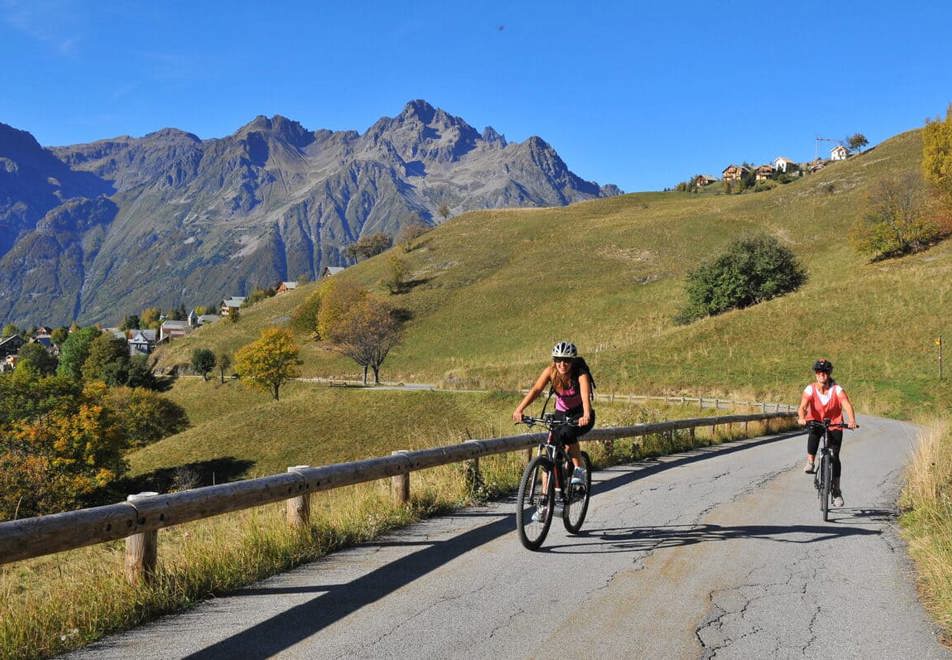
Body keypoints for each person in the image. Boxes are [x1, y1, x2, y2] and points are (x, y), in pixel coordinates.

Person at [512, 341, 595, 517]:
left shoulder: (580, 374)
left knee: (567, 433)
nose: (562, 364)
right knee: (550, 453)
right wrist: (520, 409)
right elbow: (536, 390)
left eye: (566, 360)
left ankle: (579, 469)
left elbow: (585, 396)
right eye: (558, 360)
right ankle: (544, 502)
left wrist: (586, 414)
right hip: (561, 413)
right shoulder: (551, 371)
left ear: (572, 361)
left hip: (580, 414)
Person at [796, 358, 858, 507]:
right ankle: (810, 462)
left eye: (824, 372)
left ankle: (836, 490)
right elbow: (803, 406)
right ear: (816, 374)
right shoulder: (810, 389)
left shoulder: (837, 389)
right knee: (813, 433)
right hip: (817, 422)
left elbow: (846, 405)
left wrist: (851, 420)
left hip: (835, 424)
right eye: (819, 372)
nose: (821, 374)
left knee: (835, 456)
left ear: (829, 373)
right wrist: (802, 417)